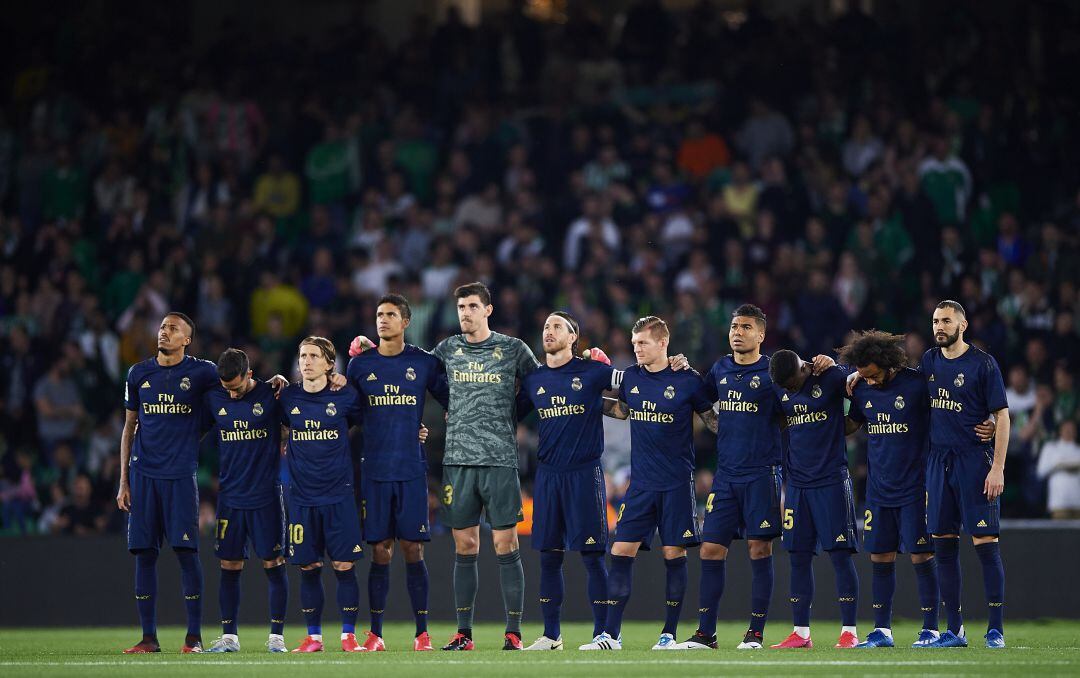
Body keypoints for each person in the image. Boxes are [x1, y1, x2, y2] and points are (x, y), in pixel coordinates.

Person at [580, 316, 717, 651]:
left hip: (676, 483)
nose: (636, 349)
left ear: (663, 343)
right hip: (640, 484)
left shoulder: (687, 380)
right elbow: (623, 411)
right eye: (635, 342)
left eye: (643, 342)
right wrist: (587, 401)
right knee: (620, 550)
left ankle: (668, 634)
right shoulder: (632, 378)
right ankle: (610, 635)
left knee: (673, 553)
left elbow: (713, 422)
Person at [432, 282, 540, 651]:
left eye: (473, 306)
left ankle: (514, 631)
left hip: (499, 459)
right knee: (465, 545)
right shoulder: (447, 348)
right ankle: (464, 632)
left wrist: (513, 413)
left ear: (488, 310)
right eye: (461, 306)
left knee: (505, 542)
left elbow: (540, 384)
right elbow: (421, 374)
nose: (465, 312)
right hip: (458, 460)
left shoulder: (512, 349)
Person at [345, 294, 449, 651]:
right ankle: (375, 633)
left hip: (410, 469)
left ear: (406, 321)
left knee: (412, 548)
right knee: (379, 550)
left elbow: (452, 399)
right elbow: (348, 413)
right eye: (378, 314)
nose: (382, 320)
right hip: (374, 471)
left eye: (390, 314)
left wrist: (429, 428)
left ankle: (422, 633)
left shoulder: (423, 363)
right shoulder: (359, 366)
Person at [677, 304, 784, 650]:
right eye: (734, 326)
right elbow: (701, 400)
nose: (738, 332)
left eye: (746, 327)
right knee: (709, 549)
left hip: (761, 474)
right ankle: (706, 633)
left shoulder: (773, 373)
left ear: (761, 335)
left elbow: (788, 415)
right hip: (726, 476)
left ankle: (755, 632)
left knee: (758, 548)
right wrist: (684, 371)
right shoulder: (720, 369)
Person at [515, 312, 620, 650]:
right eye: (545, 326)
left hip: (584, 474)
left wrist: (671, 363)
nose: (549, 331)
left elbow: (637, 383)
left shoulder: (592, 371)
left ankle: (605, 634)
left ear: (574, 336)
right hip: (548, 477)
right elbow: (505, 413)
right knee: (548, 556)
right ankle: (551, 635)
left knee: (592, 556)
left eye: (557, 326)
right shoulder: (534, 379)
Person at [117, 312, 219, 654]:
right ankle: (149, 638)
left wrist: (273, 381)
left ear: (187, 339)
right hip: (143, 475)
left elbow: (236, 386)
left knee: (187, 553)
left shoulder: (203, 372)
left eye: (173, 328)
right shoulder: (138, 373)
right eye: (162, 326)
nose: (164, 331)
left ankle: (194, 638)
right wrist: (123, 481)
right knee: (144, 554)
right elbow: (129, 427)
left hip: (179, 476)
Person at [840, 331, 940, 648]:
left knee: (921, 556)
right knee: (880, 557)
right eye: (863, 375)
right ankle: (882, 631)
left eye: (872, 375)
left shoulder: (916, 384)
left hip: (916, 487)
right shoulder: (861, 389)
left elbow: (948, 413)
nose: (868, 381)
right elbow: (851, 424)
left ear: (886, 363)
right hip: (879, 490)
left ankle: (931, 630)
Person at [920, 301, 1010, 649]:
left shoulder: (983, 364)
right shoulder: (928, 361)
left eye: (946, 320)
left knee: (985, 546)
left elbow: (1001, 416)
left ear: (963, 324)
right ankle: (954, 630)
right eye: (935, 321)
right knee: (943, 547)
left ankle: (995, 629)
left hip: (974, 462)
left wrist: (997, 468)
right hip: (938, 463)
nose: (939, 326)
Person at [769, 349, 861, 649]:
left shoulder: (831, 376)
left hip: (832, 481)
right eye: (786, 388)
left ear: (803, 368)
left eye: (793, 384)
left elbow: (860, 377)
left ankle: (849, 631)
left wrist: (838, 364)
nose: (790, 391)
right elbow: (780, 420)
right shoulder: (780, 386)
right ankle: (801, 633)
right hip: (797, 485)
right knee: (797, 556)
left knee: (839, 555)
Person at [278, 337, 365, 653]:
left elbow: (362, 421)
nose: (307, 361)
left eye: (314, 356)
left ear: (330, 364)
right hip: (301, 498)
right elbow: (283, 427)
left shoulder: (345, 397)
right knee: (308, 567)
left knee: (344, 566)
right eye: (303, 355)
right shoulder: (287, 397)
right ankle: (313, 637)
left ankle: (348, 637)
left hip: (338, 495)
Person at [202, 348, 289, 653]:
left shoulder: (272, 394)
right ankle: (229, 638)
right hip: (230, 498)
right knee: (229, 564)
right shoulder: (215, 397)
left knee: (273, 563)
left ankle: (276, 638)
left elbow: (294, 423)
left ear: (250, 375)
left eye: (237, 388)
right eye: (228, 389)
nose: (233, 395)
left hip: (265, 496)